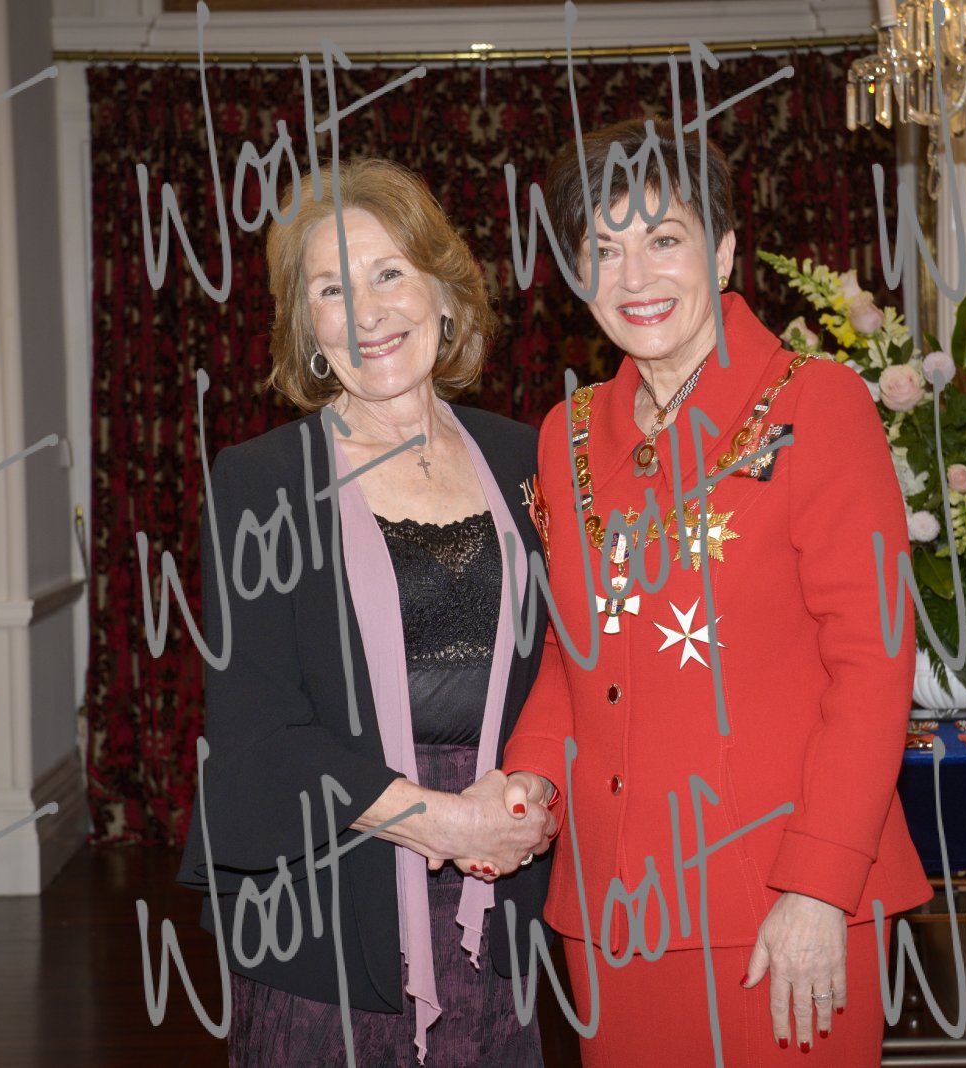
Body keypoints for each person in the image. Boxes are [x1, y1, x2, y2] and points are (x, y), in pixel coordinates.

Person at [487, 118, 933, 1065]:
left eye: (664, 239)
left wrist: (819, 888)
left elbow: (874, 662)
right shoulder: (567, 436)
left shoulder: (817, 405)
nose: (634, 276)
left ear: (723, 252)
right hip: (613, 912)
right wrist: (532, 773)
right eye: (604, 249)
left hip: (779, 904)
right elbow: (575, 647)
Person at [176, 157, 555, 1067]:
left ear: (444, 294)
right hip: (335, 903)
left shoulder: (528, 460)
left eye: (390, 273)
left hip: (499, 899)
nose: (368, 312)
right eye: (332, 290)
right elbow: (259, 736)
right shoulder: (261, 484)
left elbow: (570, 672)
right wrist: (444, 822)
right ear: (308, 328)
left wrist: (534, 795)